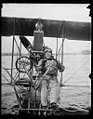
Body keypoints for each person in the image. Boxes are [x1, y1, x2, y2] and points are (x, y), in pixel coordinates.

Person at [36, 48, 65, 112]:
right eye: (46, 53)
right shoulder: (41, 61)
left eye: (49, 52)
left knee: (55, 85)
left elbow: (62, 69)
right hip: (44, 78)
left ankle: (53, 103)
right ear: (44, 54)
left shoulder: (55, 61)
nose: (48, 54)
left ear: (51, 53)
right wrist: (41, 65)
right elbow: (37, 69)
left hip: (53, 78)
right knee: (43, 86)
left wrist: (59, 66)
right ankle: (44, 104)